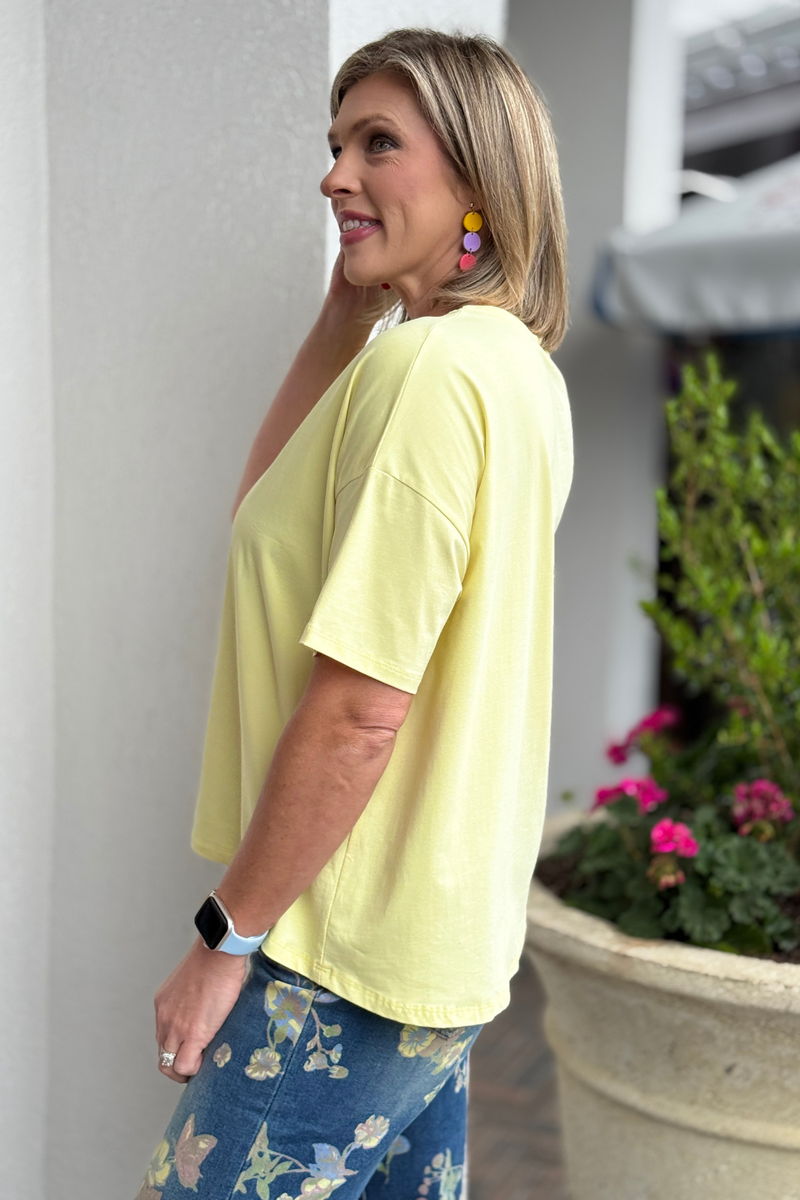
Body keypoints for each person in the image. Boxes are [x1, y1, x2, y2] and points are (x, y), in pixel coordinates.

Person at [135, 27, 572, 1200]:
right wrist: (343, 314)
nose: (335, 174)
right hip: (435, 948)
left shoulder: (426, 376)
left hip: (335, 949)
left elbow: (359, 711)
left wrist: (224, 938)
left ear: (478, 175)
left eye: (377, 143)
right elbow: (261, 522)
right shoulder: (511, 371)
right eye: (334, 145)